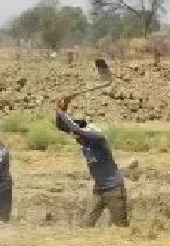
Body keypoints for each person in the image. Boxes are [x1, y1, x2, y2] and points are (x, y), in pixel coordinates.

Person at [55, 95, 128, 227]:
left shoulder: (97, 138)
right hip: (99, 189)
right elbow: (62, 127)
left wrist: (60, 111)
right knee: (85, 226)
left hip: (114, 189)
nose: (76, 139)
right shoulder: (85, 140)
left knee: (121, 227)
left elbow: (76, 130)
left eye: (79, 136)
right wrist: (62, 108)